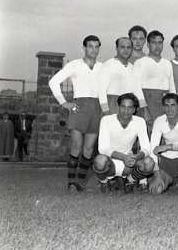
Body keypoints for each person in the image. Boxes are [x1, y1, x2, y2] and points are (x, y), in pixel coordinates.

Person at [49, 35, 103, 190]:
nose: (93, 50)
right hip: (79, 107)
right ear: (84, 48)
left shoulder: (102, 67)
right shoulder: (74, 65)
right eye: (90, 46)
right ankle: (71, 182)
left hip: (97, 107)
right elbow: (53, 82)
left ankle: (80, 182)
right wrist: (64, 102)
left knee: (89, 148)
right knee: (76, 146)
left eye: (96, 46)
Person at [92, 93, 154, 192]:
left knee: (149, 163)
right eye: (123, 107)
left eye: (129, 107)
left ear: (134, 110)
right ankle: (104, 182)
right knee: (100, 161)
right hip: (110, 162)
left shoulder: (140, 121)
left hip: (129, 163)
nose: (126, 111)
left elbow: (146, 148)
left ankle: (130, 181)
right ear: (118, 107)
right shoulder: (106, 120)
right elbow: (103, 148)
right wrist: (123, 157)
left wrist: (135, 157)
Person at [148, 93, 178, 194]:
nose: (169, 109)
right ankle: (172, 181)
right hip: (167, 162)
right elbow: (153, 149)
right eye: (166, 105)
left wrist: (169, 146)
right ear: (163, 108)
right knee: (156, 190)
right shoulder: (159, 120)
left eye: (173, 105)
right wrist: (157, 175)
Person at [133, 30, 175, 127]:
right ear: (148, 44)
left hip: (165, 103)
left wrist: (174, 105)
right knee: (147, 131)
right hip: (147, 102)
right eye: (154, 43)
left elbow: (172, 86)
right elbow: (136, 88)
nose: (157, 46)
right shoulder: (140, 62)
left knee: (164, 130)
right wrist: (144, 109)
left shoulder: (167, 63)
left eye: (160, 43)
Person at [98, 37, 135, 114]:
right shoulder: (108, 65)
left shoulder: (132, 67)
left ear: (132, 49)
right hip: (112, 105)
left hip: (128, 106)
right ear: (117, 48)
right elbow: (101, 90)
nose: (126, 50)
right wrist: (105, 110)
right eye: (122, 47)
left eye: (128, 47)